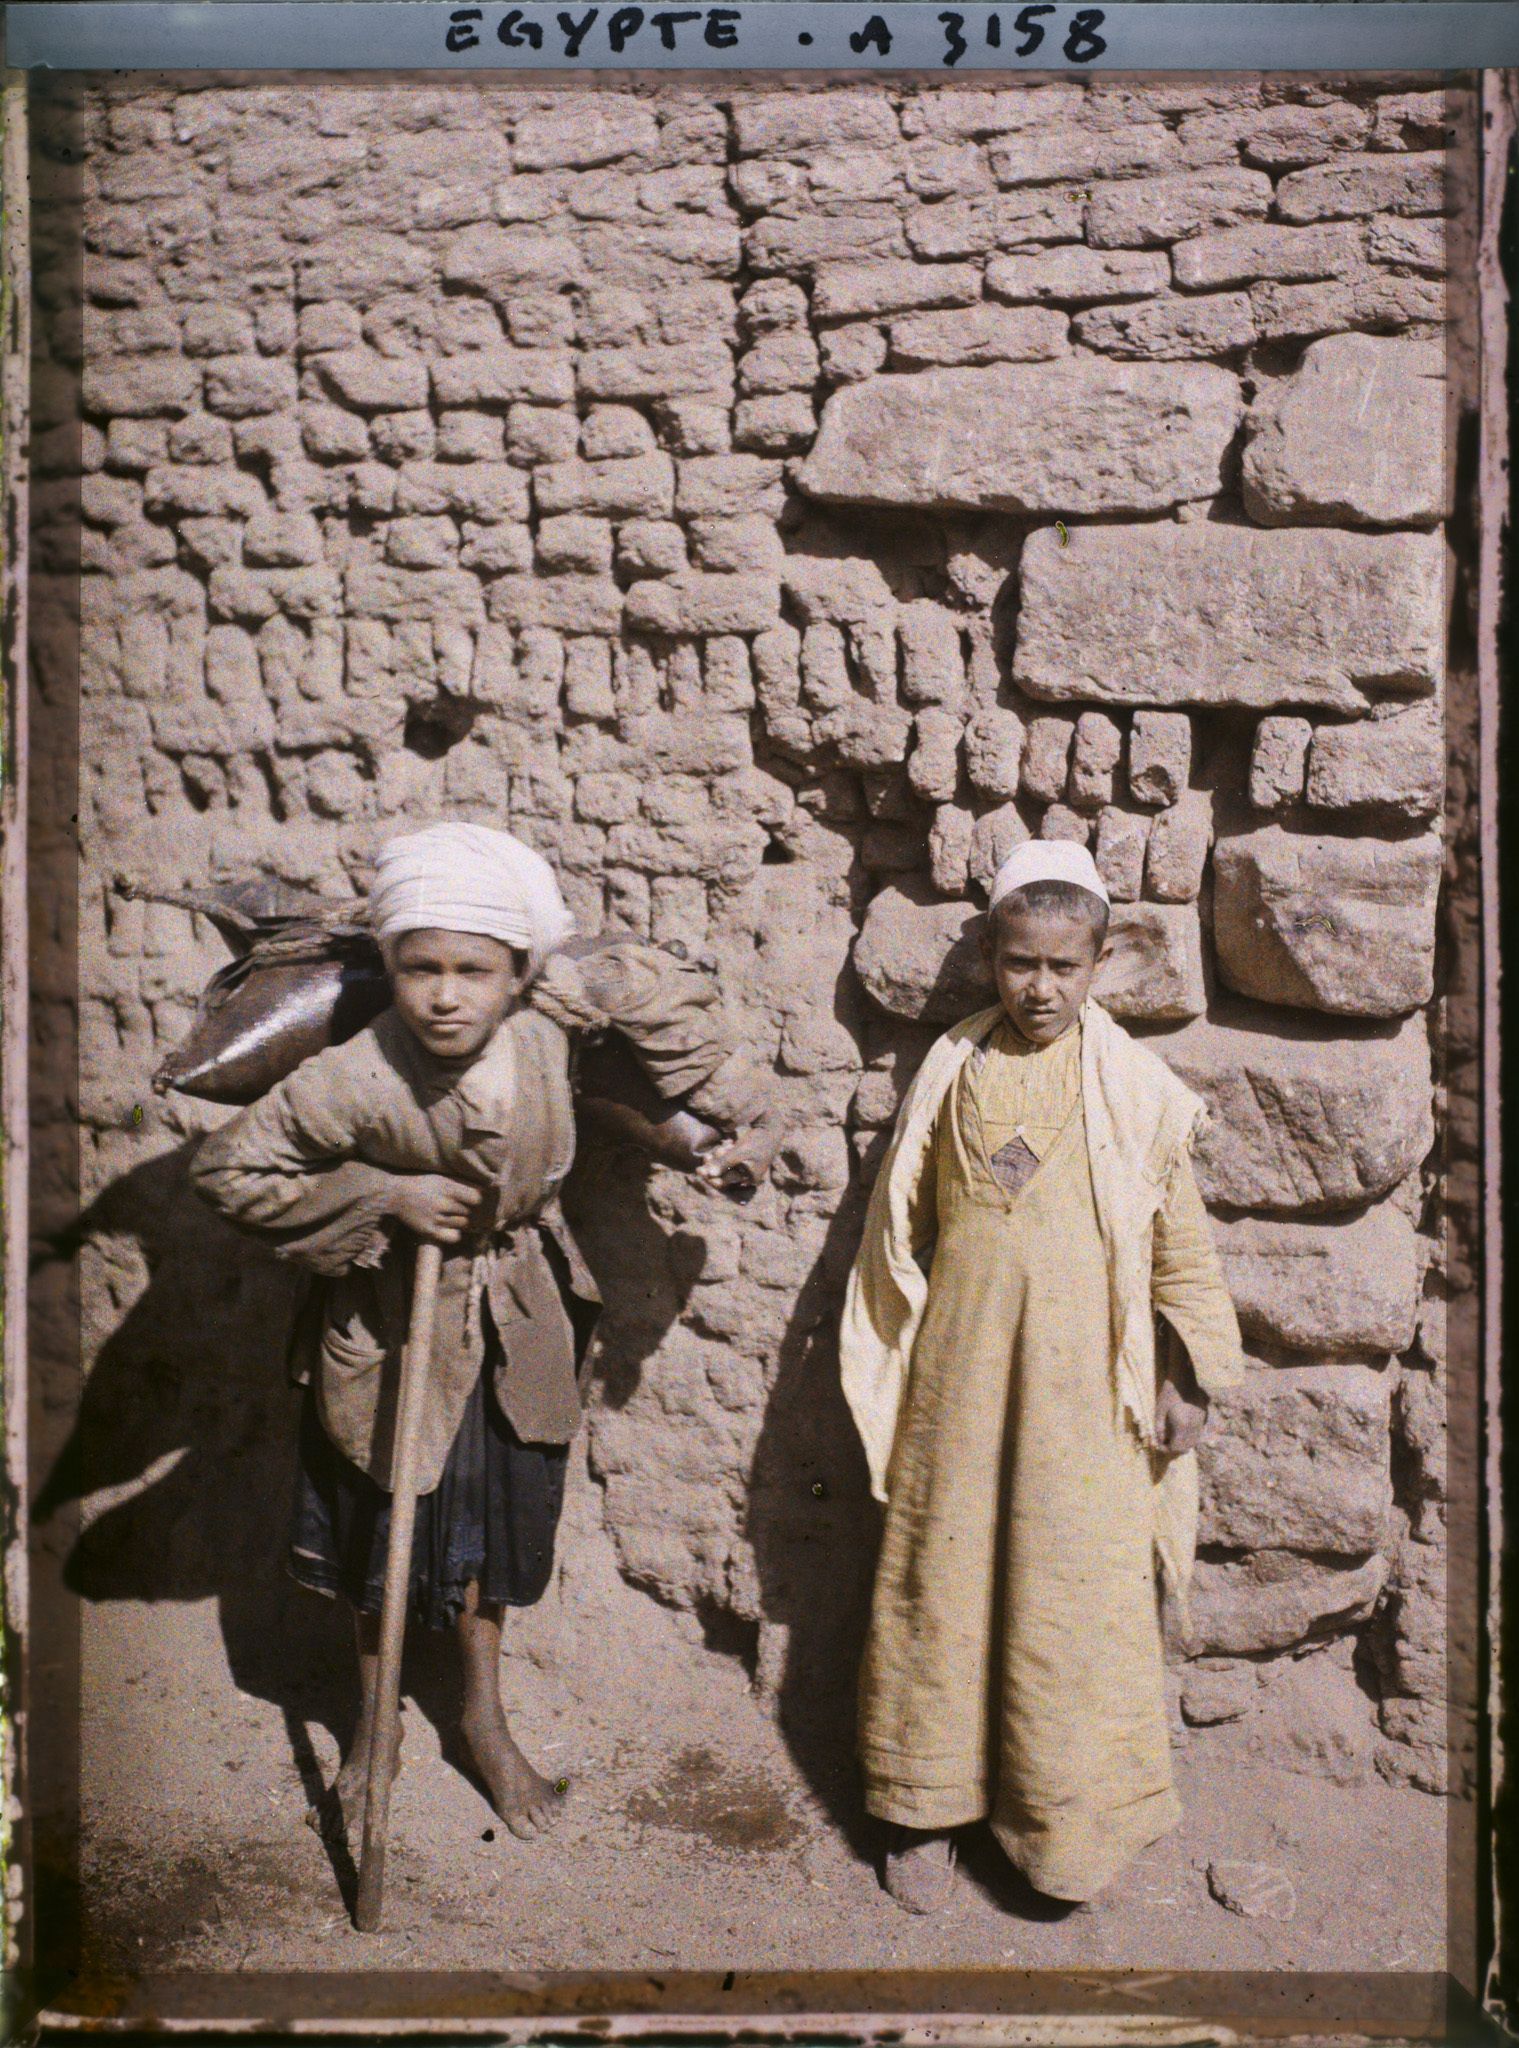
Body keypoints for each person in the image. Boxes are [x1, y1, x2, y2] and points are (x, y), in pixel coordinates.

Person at [190, 823, 774, 1844]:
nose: (446, 994)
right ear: (392, 968)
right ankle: (374, 1735)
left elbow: (685, 1030)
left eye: (474, 969)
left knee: (486, 1544)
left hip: (514, 1323)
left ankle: (481, 1721)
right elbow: (228, 1170)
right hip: (390, 1334)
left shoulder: (548, 1032)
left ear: (514, 975)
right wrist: (382, 1193)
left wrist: (601, 978)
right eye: (421, 968)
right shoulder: (353, 1078)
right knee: (380, 1538)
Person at [839, 839, 1245, 1916]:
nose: (1040, 986)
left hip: (1084, 1399)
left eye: (1064, 966)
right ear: (988, 954)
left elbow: (1179, 1240)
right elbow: (899, 1230)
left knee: (1066, 1600)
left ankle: (1062, 1826)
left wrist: (1187, 1371)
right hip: (960, 1388)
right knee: (944, 1582)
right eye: (1020, 962)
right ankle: (921, 1809)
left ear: (1099, 961)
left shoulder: (1134, 1088)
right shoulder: (952, 1070)